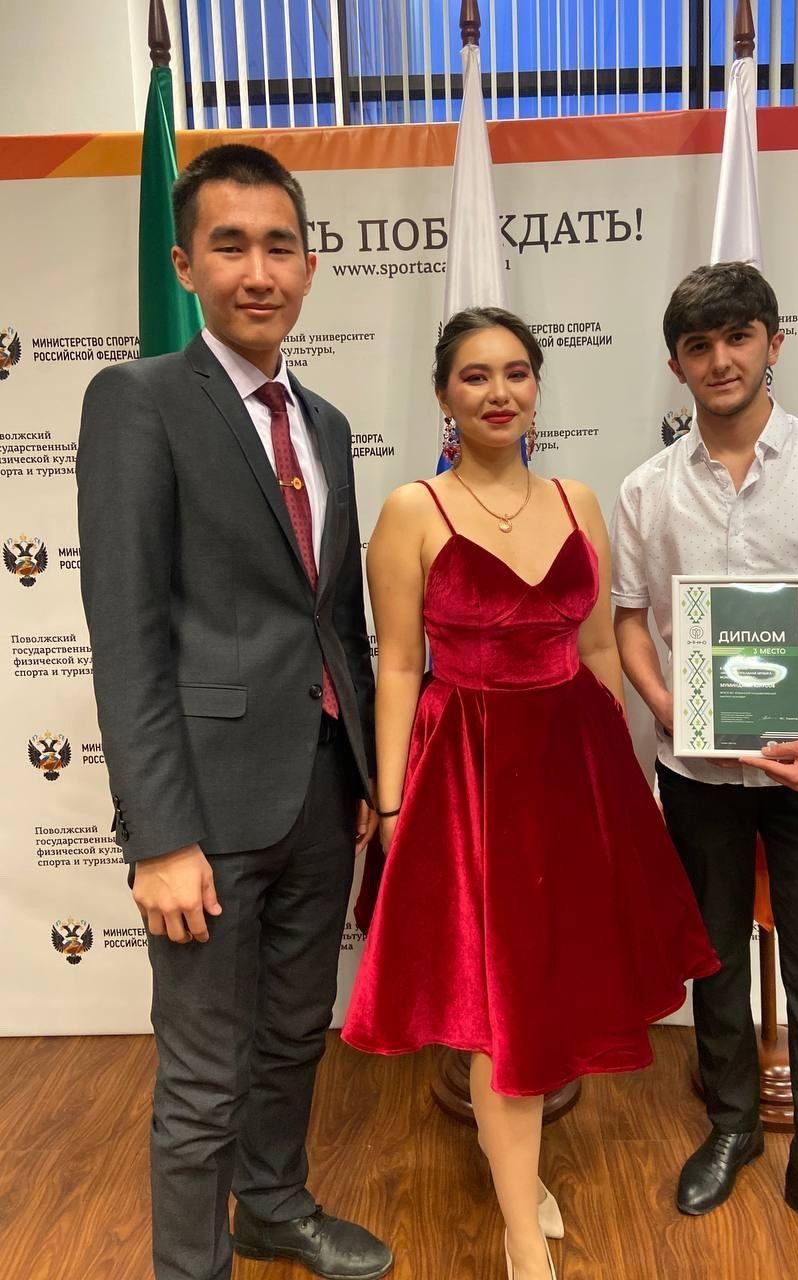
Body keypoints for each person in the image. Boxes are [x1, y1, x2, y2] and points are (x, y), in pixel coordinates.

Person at [341, 306, 718, 1280]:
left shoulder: (578, 500)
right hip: (466, 774)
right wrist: (393, 803)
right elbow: (396, 666)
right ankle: (520, 1231)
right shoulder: (412, 510)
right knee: (500, 1003)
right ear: (443, 395)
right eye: (475, 375)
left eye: (515, 372)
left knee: (550, 986)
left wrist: (621, 784)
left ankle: (519, 1169)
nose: (498, 391)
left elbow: (596, 649)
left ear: (538, 387)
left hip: (574, 765)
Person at [77, 144, 392, 1280]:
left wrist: (365, 776)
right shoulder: (138, 401)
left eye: (278, 246)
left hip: (321, 788)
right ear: (185, 264)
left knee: (297, 1031)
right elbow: (127, 633)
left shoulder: (328, 422)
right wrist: (157, 837)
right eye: (230, 246)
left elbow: (335, 615)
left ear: (309, 265)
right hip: (204, 811)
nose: (258, 270)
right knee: (204, 1071)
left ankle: (273, 1205)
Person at [610, 262, 798, 1280]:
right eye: (698, 346)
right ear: (676, 365)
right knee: (712, 960)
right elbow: (629, 622)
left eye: (738, 337)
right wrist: (668, 707)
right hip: (698, 772)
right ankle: (732, 1125)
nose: (721, 360)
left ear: (774, 343)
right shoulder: (646, 490)